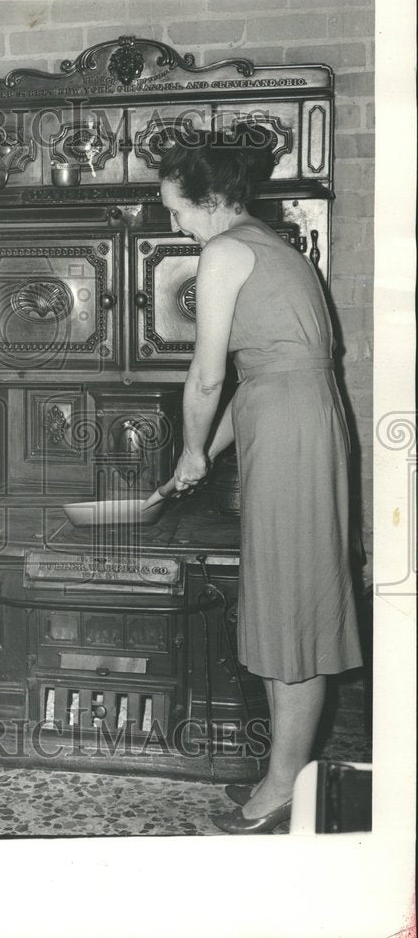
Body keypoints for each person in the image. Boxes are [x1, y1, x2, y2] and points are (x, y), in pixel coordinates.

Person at [142, 124, 363, 834]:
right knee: (289, 596)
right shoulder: (271, 246)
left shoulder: (222, 253)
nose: (172, 222)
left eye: (174, 209)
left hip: (291, 428)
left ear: (207, 202)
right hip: (297, 418)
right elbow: (262, 372)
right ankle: (283, 776)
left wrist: (188, 445)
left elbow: (207, 375)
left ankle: (282, 789)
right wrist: (201, 456)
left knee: (292, 602)